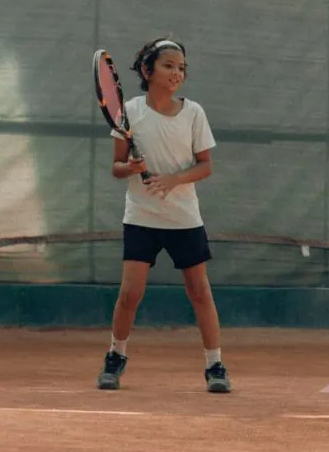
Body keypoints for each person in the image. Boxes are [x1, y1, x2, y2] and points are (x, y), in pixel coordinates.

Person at [96, 37, 231, 394]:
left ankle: (215, 365)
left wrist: (173, 179)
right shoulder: (129, 112)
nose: (176, 73)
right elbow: (116, 166)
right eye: (168, 65)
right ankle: (115, 356)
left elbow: (205, 166)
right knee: (130, 294)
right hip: (141, 216)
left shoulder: (194, 113)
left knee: (199, 291)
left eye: (181, 68)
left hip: (184, 218)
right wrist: (132, 167)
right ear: (147, 70)